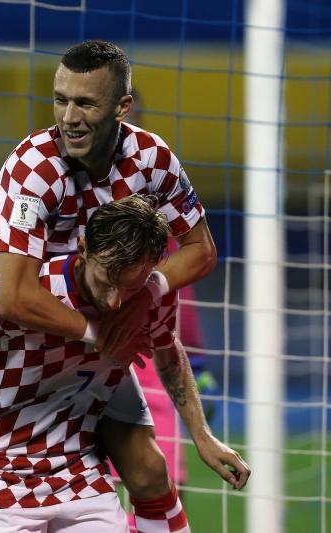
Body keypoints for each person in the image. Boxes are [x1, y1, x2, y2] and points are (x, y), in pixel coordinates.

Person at [0, 39, 219, 527]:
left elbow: (201, 250)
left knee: (149, 471)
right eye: (60, 100)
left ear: (122, 107)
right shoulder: (35, 168)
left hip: (82, 313)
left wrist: (141, 298)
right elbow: (15, 297)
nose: (70, 117)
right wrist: (100, 333)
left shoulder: (152, 159)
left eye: (85, 103)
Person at [0, 197, 249, 532]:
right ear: (83, 249)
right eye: (106, 282)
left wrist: (203, 437)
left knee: (151, 468)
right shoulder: (27, 294)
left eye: (129, 288)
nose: (115, 303)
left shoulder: (150, 295)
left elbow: (169, 355)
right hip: (4, 472)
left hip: (82, 471)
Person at [115, 88, 219, 493]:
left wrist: (197, 360)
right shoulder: (64, 184)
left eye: (133, 116)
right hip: (85, 350)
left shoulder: (158, 190)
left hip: (150, 354)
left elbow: (179, 289)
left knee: (166, 486)